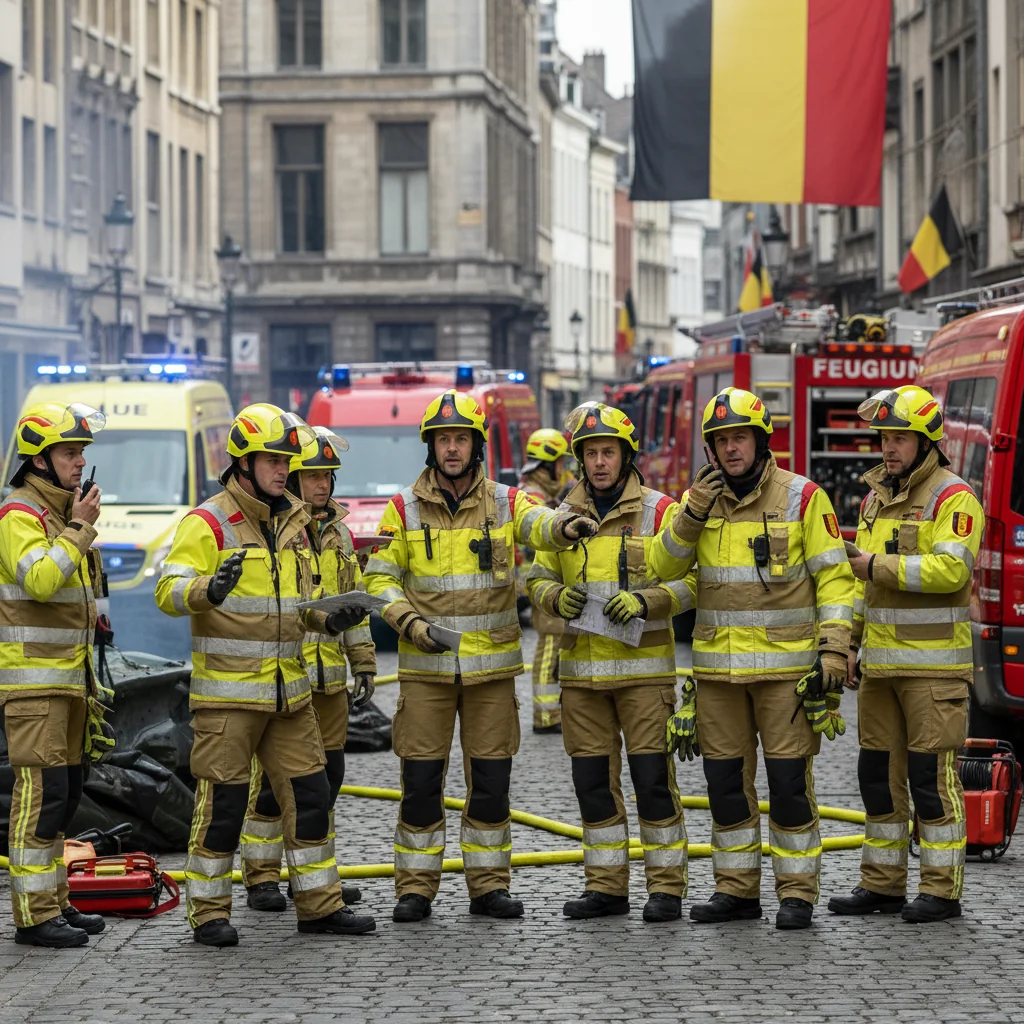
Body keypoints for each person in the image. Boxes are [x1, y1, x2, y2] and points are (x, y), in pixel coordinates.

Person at [363, 391, 598, 923]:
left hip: (490, 674)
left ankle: (489, 886)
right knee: (421, 785)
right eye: (443, 439)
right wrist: (409, 623)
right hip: (425, 673)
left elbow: (540, 524)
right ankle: (415, 889)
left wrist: (564, 528)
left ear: (476, 446)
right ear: (431, 447)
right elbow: (379, 579)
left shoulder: (506, 501)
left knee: (491, 785)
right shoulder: (402, 509)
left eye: (461, 439)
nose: (452, 448)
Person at [156, 403, 374, 946]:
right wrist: (209, 589)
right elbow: (167, 591)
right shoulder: (207, 523)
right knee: (224, 808)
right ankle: (209, 913)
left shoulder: (293, 524)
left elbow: (301, 606)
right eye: (273, 461)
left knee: (312, 798)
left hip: (290, 696)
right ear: (243, 463)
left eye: (286, 461)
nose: (284, 471)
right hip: (229, 699)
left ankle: (319, 906)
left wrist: (331, 619)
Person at [653, 387, 854, 930]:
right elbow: (663, 568)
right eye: (720, 441)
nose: (730, 449)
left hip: (786, 678)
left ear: (762, 441)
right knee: (724, 788)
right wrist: (691, 514)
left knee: (788, 787)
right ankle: (736, 891)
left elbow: (835, 578)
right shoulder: (695, 502)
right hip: (718, 678)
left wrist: (834, 648)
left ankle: (797, 894)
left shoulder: (803, 497)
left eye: (739, 437)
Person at [527, 403, 693, 923]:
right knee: (593, 785)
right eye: (592, 453)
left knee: (653, 781)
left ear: (626, 456)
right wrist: (556, 597)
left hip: (645, 677)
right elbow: (536, 578)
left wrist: (648, 602)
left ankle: (666, 888)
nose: (599, 462)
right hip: (582, 679)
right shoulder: (560, 517)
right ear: (579, 459)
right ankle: (606, 887)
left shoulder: (661, 512)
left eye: (609, 452)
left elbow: (695, 581)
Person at [827, 385, 982, 924]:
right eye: (884, 438)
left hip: (933, 673)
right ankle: (882, 884)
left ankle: (941, 891)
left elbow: (952, 570)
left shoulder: (953, 498)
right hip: (880, 670)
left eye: (900, 438)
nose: (888, 448)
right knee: (877, 779)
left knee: (930, 782)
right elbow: (860, 587)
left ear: (927, 443)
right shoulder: (875, 499)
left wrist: (875, 565)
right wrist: (848, 643)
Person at [240, 426, 374, 912]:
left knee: (325, 781)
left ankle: (315, 879)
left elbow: (354, 604)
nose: (322, 485)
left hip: (330, 678)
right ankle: (261, 877)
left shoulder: (340, 534)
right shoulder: (281, 530)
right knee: (272, 789)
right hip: (288, 678)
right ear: (293, 479)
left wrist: (363, 661)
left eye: (328, 476)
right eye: (313, 476)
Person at [0, 402, 110, 947]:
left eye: (82, 452)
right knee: (39, 801)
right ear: (39, 460)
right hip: (34, 686)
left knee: (63, 800)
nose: (80, 462)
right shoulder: (18, 516)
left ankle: (57, 902)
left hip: (69, 683)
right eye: (69, 453)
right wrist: (80, 529)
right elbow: (41, 582)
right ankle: (33, 916)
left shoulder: (58, 515)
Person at [519, 428, 578, 734]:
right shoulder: (535, 496)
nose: (564, 468)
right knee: (549, 647)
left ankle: (553, 711)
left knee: (555, 645)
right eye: (561, 462)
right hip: (542, 580)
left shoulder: (545, 489)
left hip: (548, 580)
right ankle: (545, 716)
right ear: (550, 463)